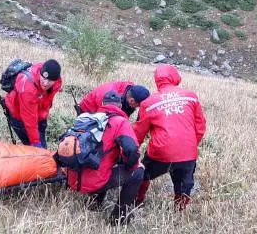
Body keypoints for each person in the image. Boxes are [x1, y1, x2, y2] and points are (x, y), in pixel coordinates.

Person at [133, 64, 206, 211]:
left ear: (157, 80)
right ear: (175, 77)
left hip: (160, 153)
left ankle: (137, 201)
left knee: (142, 175)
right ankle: (180, 210)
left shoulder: (148, 103)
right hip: (188, 152)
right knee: (184, 184)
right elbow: (200, 126)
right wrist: (190, 145)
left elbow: (138, 133)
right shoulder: (191, 97)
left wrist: (131, 153)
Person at [66, 91, 144, 225]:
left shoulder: (86, 118)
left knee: (105, 158)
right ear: (120, 106)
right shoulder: (120, 122)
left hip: (73, 179)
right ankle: (118, 219)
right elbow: (132, 151)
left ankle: (94, 204)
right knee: (137, 171)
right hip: (94, 182)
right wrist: (131, 166)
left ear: (102, 104)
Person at [4, 59, 63, 148]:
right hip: (19, 116)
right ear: (40, 73)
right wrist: (35, 142)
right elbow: (29, 119)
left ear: (56, 80)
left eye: (50, 81)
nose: (45, 83)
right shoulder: (28, 89)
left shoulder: (56, 82)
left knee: (42, 148)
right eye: (44, 78)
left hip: (39, 115)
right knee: (36, 151)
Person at [76, 81, 150, 119]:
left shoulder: (131, 90)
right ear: (132, 101)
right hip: (88, 112)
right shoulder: (109, 98)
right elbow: (105, 121)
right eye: (138, 106)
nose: (138, 108)